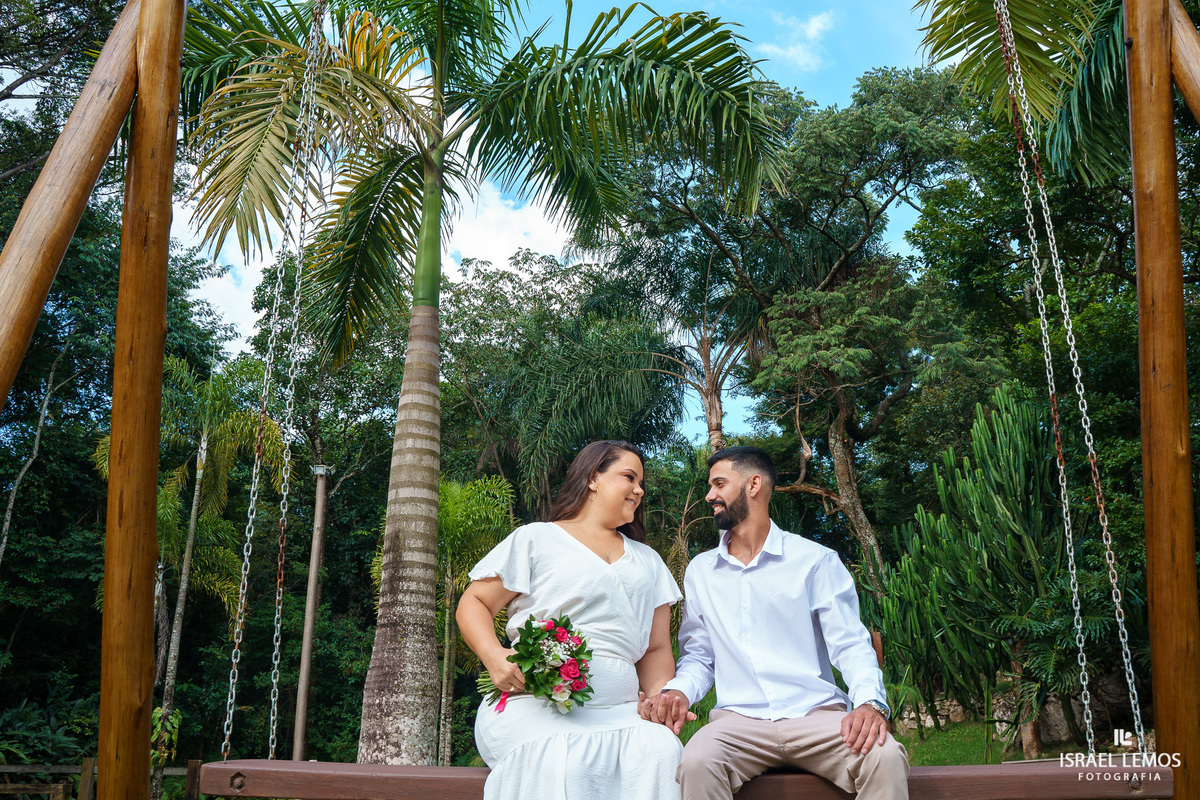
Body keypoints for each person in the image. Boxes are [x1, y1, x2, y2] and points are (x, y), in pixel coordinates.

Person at [640, 445, 909, 800]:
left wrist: (870, 703)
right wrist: (678, 691)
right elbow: (700, 656)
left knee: (884, 756)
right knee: (696, 761)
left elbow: (850, 645)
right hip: (737, 723)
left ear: (753, 485)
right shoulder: (701, 571)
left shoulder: (815, 561)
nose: (710, 496)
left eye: (719, 484)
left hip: (817, 716)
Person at [457, 440, 686, 799]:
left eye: (642, 483)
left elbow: (656, 648)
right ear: (594, 478)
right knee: (566, 759)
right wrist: (494, 657)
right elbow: (473, 603)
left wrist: (660, 700)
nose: (639, 490)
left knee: (659, 752)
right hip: (533, 705)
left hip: (623, 713)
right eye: (629, 477)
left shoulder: (649, 561)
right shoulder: (536, 538)